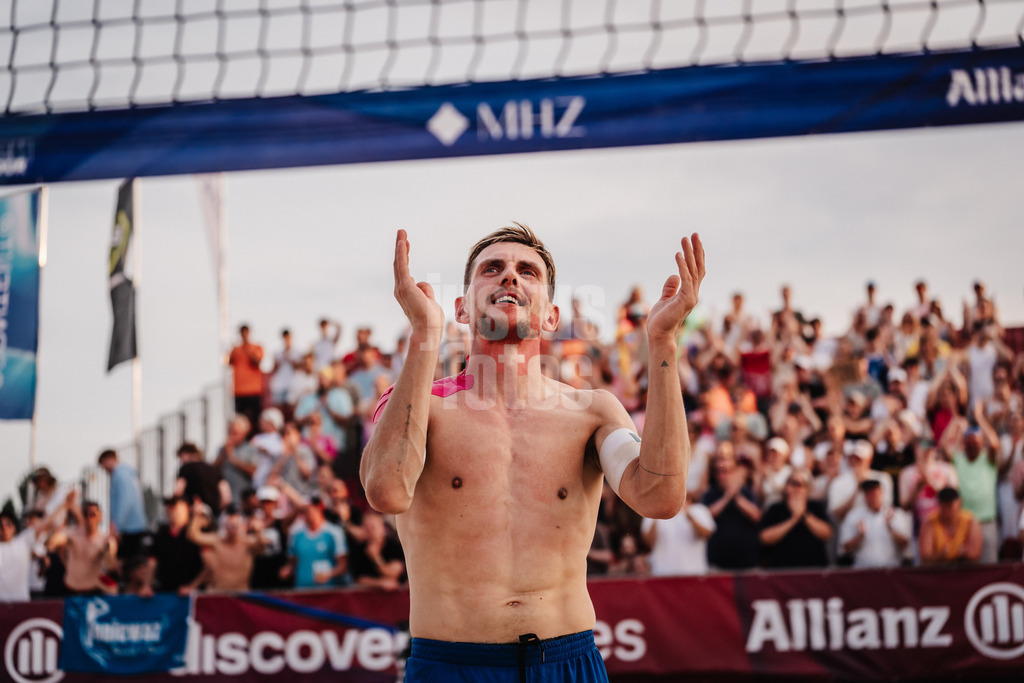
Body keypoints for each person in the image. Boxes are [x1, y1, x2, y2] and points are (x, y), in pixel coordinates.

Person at [361, 225, 704, 681]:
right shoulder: (420, 405)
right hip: (451, 664)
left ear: (550, 316)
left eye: (528, 272)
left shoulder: (591, 410)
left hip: (568, 662)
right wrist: (425, 333)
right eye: (492, 269)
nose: (510, 278)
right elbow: (387, 489)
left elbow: (660, 496)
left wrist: (663, 343)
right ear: (461, 308)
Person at [0, 492, 74, 601]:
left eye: (8, 524)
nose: (4, 528)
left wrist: (65, 505)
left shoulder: (23, 541)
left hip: (22, 603)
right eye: (0, 525)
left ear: (14, 527)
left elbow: (46, 523)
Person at [759, 469, 833, 569]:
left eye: (802, 485)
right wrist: (793, 519)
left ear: (808, 490)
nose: (797, 488)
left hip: (813, 571)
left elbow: (827, 533)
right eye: (794, 483)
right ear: (786, 486)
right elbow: (764, 538)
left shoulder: (815, 507)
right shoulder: (775, 509)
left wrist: (804, 515)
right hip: (781, 572)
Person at [187, 502, 264, 592]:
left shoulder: (247, 543)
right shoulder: (217, 540)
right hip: (218, 593)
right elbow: (193, 535)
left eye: (234, 526)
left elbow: (261, 546)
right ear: (224, 526)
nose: (232, 530)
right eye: (229, 526)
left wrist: (259, 530)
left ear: (241, 527)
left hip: (241, 594)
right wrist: (197, 516)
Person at [48, 499, 118, 596]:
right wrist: (55, 535)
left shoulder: (104, 540)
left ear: (100, 516)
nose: (89, 518)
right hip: (69, 589)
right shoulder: (72, 534)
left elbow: (108, 564)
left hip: (92, 590)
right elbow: (53, 542)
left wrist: (109, 547)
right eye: (86, 514)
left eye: (92, 514)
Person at [839, 479, 912, 568]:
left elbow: (905, 545)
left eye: (875, 492)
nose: (872, 496)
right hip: (863, 571)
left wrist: (890, 528)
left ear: (881, 492)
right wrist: (860, 536)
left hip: (890, 571)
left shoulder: (896, 514)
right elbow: (845, 548)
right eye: (868, 493)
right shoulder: (853, 516)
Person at [281, 495, 348, 589]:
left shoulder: (334, 532)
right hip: (301, 589)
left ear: (318, 509)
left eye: (309, 510)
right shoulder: (296, 534)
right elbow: (292, 562)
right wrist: (287, 569)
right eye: (304, 511)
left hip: (326, 591)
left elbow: (343, 565)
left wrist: (329, 574)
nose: (306, 514)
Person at [97, 449, 149, 562]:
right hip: (131, 526)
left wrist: (117, 528)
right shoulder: (126, 474)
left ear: (109, 460)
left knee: (124, 563)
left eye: (103, 465)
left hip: (129, 528)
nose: (104, 469)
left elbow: (125, 501)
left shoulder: (120, 475)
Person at [640, 498, 715, 576]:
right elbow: (648, 542)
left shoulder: (699, 510)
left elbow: (706, 535)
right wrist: (656, 516)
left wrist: (688, 515)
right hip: (663, 573)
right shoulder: (652, 512)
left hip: (694, 573)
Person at [151, 495, 204, 594]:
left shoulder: (198, 533)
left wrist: (192, 587)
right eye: (168, 506)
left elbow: (209, 567)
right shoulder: (160, 533)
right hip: (165, 592)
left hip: (192, 596)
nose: (170, 510)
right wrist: (147, 585)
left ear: (187, 508)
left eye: (174, 506)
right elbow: (152, 561)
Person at [919, 487, 983, 564]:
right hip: (938, 571)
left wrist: (965, 553)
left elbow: (975, 555)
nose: (948, 509)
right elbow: (925, 557)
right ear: (939, 505)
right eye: (944, 505)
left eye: (950, 504)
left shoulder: (970, 521)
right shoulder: (930, 522)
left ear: (959, 502)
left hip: (964, 570)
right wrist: (941, 555)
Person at [175, 442, 230, 516]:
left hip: (193, 515)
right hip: (213, 516)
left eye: (180, 457)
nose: (181, 461)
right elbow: (226, 498)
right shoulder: (214, 470)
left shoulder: (185, 469)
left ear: (185, 454)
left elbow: (178, 492)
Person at [228, 324, 265, 435]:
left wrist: (247, 348)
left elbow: (257, 361)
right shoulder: (236, 349)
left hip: (254, 390)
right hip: (239, 391)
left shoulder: (256, 347)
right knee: (240, 419)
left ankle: (256, 437)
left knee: (255, 418)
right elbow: (230, 362)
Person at [214, 415, 260, 504]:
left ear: (244, 433)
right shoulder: (222, 449)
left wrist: (233, 460)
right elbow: (213, 470)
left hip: (242, 498)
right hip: (224, 498)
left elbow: (253, 471)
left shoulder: (251, 449)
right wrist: (223, 455)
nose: (231, 436)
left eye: (235, 433)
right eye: (229, 432)